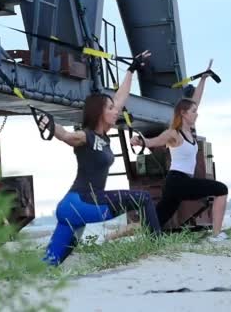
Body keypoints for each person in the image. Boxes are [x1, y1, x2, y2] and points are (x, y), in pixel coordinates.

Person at [40, 50, 162, 266]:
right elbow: (67, 136)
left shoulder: (103, 137)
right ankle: (158, 248)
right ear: (99, 113)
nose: (116, 111)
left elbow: (120, 97)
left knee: (49, 263)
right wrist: (49, 124)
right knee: (142, 198)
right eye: (111, 109)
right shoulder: (85, 136)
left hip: (75, 206)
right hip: (83, 201)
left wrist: (131, 70)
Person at [130, 59, 229, 241]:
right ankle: (216, 235)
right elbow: (153, 142)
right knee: (221, 189)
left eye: (195, 111)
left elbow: (196, 101)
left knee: (158, 220)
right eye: (192, 112)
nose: (196, 113)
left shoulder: (188, 132)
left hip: (177, 183)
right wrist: (139, 141)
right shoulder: (173, 134)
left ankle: (143, 238)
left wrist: (204, 79)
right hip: (178, 181)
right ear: (183, 114)